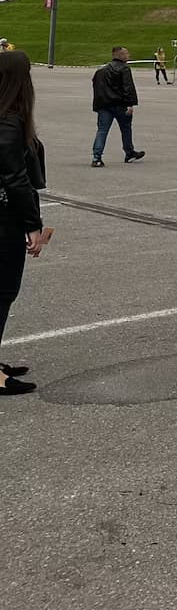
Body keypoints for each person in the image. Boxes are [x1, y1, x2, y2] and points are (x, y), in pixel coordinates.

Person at [0, 49, 48, 395]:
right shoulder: (9, 118)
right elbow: (14, 177)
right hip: (4, 218)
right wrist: (33, 224)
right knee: (3, 291)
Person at [91, 46, 145, 167]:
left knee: (102, 130)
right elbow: (128, 87)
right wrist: (130, 104)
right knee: (126, 129)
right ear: (120, 55)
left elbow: (96, 87)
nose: (128, 56)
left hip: (105, 105)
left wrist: (98, 105)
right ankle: (129, 152)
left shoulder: (101, 70)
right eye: (126, 54)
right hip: (120, 104)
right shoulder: (124, 69)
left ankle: (96, 157)